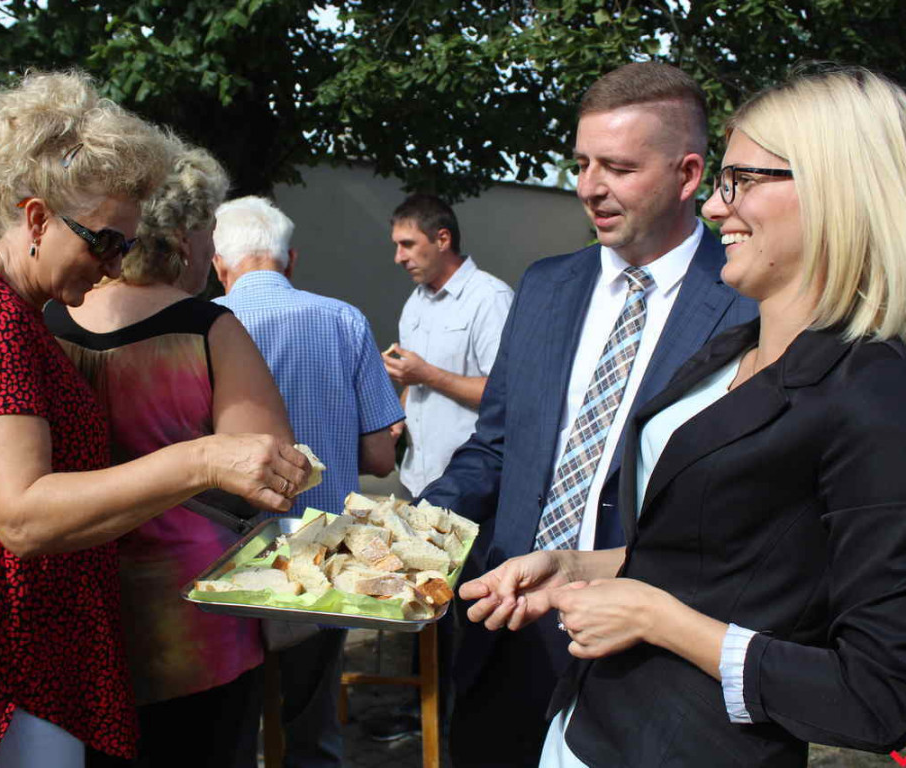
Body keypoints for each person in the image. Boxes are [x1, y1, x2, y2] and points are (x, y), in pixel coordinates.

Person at [464, 65, 906, 768]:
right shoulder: (736, 350)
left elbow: (877, 696)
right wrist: (577, 565)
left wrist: (656, 618)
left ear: (832, 188)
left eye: (740, 182)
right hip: (581, 723)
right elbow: (706, 555)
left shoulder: (874, 394)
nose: (715, 208)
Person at [0, 71, 308, 768]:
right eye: (104, 242)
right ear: (36, 218)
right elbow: (22, 517)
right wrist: (200, 459)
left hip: (7, 665)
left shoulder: (1, 308)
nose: (113, 265)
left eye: (125, 245)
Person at [416, 62, 758, 766]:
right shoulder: (546, 287)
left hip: (650, 652)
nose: (588, 187)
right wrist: (416, 526)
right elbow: (496, 448)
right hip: (506, 624)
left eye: (618, 167)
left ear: (689, 174)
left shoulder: (746, 303)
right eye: (580, 163)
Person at [45, 147, 289, 768]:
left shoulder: (45, 322)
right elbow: (270, 472)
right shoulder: (211, 328)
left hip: (74, 613)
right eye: (209, 227)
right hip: (195, 620)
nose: (214, 247)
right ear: (182, 236)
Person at [213, 195, 404, 768]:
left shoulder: (204, 322)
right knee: (311, 725)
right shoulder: (344, 318)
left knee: (232, 726)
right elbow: (377, 457)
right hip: (323, 553)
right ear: (290, 259)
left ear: (218, 266)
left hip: (228, 555)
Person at [384, 193, 513, 498]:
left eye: (407, 244)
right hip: (415, 478)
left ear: (442, 239)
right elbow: (416, 385)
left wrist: (426, 374)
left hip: (470, 485)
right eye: (396, 246)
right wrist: (396, 419)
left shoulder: (490, 298)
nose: (398, 257)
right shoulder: (415, 302)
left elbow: (506, 394)